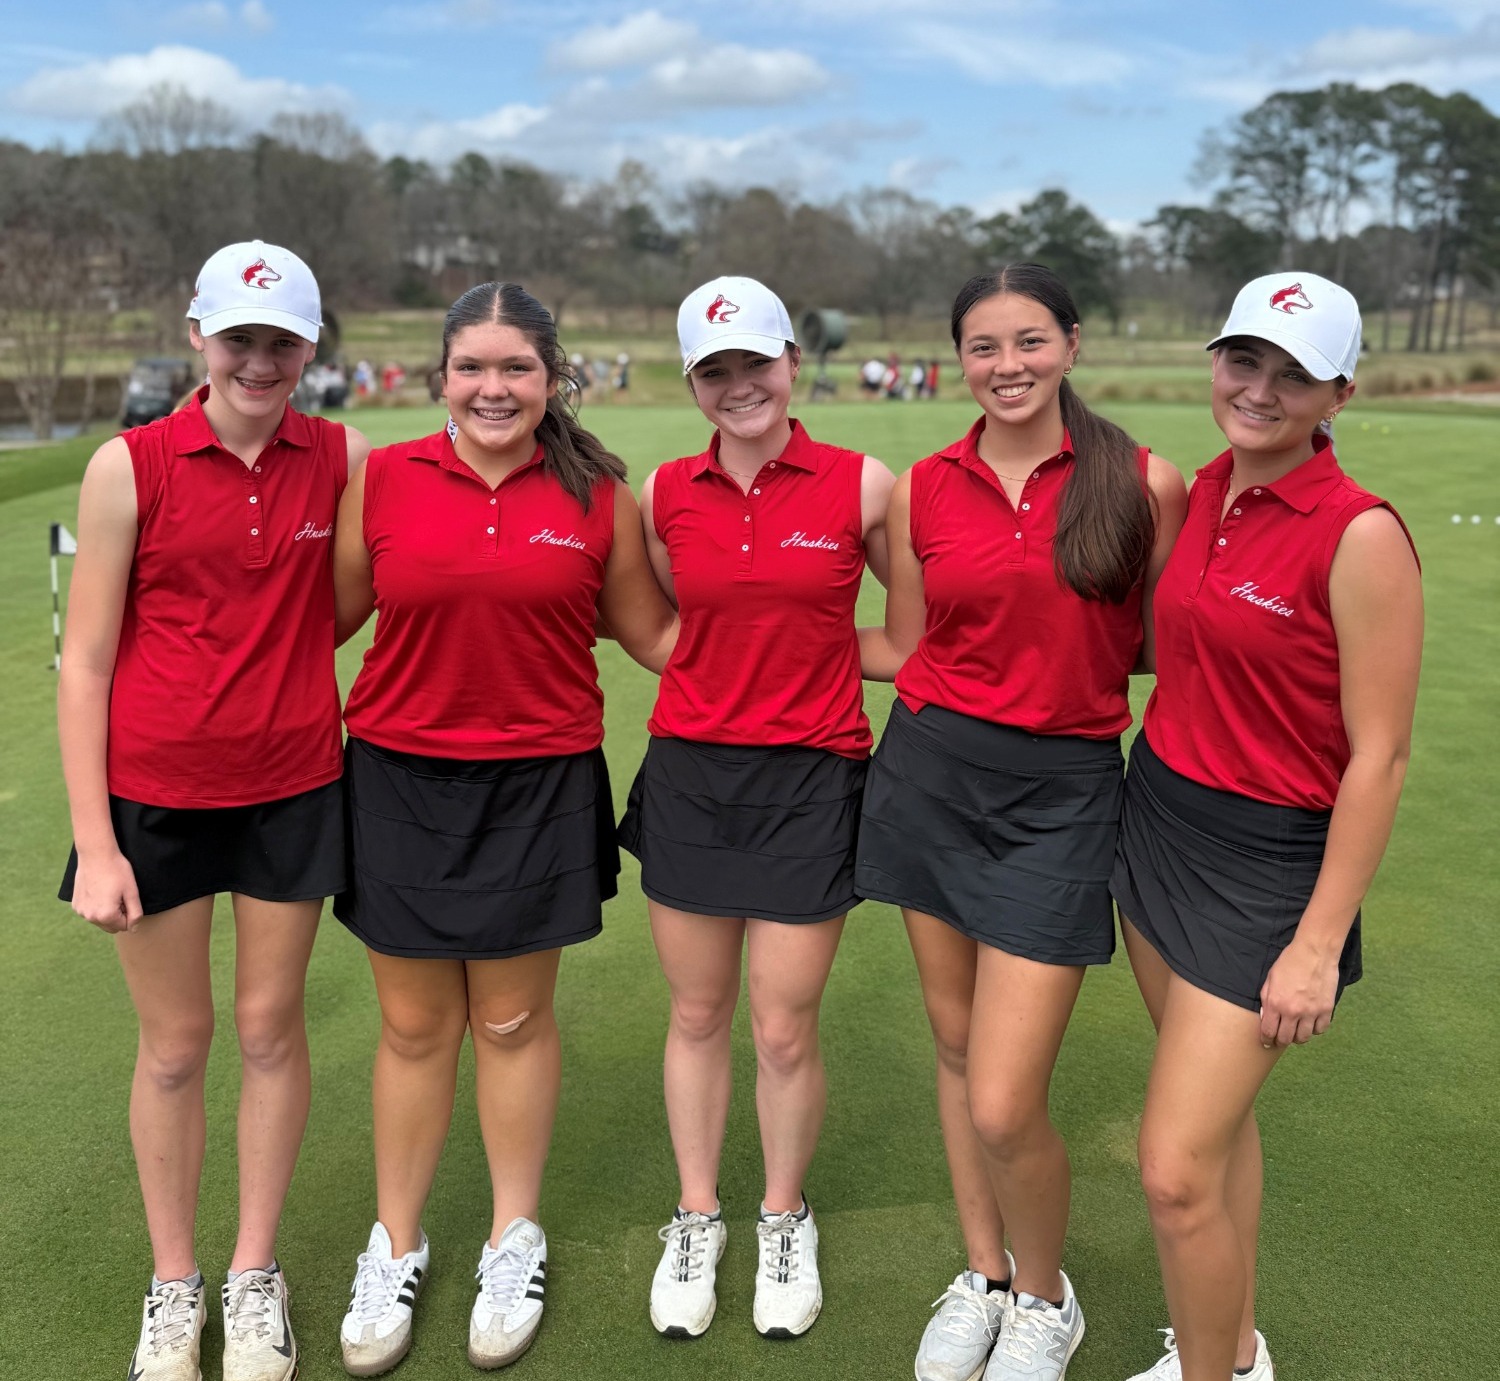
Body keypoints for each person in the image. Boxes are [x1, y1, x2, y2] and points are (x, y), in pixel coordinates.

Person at [331, 281, 677, 1376]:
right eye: (473, 367)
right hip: (399, 780)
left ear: (551, 376)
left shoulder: (598, 490)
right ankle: (395, 1243)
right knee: (415, 1027)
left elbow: (653, 634)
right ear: (441, 374)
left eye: (516, 368)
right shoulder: (381, 477)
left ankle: (510, 1236)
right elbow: (324, 618)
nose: (494, 387)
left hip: (539, 782)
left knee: (517, 1022)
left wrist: (798, 617)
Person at [856, 263, 1187, 1381]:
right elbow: (906, 643)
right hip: (931, 776)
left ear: (1073, 344)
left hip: (1062, 795)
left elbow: (1156, 650)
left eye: (1030, 341)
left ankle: (1046, 1299)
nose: (1008, 366)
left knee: (1004, 1096)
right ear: (960, 359)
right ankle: (987, 1272)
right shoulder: (924, 485)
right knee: (955, 1050)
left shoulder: (1144, 480)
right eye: (985, 347)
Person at [57, 240, 368, 1381]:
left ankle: (253, 1273)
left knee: (269, 1030)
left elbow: (341, 606)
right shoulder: (128, 463)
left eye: (281, 341)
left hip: (292, 785)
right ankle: (174, 1279)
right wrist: (95, 844)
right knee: (178, 1046)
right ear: (199, 335)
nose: (259, 360)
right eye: (239, 338)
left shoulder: (342, 455)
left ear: (309, 348)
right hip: (153, 797)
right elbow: (84, 662)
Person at [1112, 274, 1421, 1381]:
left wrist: (1316, 942)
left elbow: (1378, 757)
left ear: (1337, 391)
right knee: (1217, 1132)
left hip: (1269, 870)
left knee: (1172, 1167)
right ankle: (1234, 1352)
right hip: (1157, 825)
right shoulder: (1200, 494)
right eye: (1245, 361)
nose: (1260, 389)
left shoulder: (1359, 533)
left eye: (1293, 374)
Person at [618, 275, 896, 1341]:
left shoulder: (864, 485)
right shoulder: (665, 491)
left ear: (792, 362)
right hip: (694, 774)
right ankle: (698, 1216)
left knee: (782, 1026)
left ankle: (784, 1214)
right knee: (696, 1014)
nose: (741, 386)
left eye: (757, 363)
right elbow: (659, 624)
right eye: (716, 370)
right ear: (694, 381)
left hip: (813, 776)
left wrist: (816, 659)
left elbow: (908, 641)